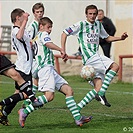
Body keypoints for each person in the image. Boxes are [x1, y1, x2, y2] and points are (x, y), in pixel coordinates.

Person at [18, 17, 92, 128]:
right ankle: (25, 111)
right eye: (48, 27)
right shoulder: (43, 34)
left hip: (48, 69)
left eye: (51, 27)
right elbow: (48, 44)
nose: (50, 30)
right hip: (45, 69)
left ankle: (78, 118)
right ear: (41, 26)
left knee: (68, 91)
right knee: (49, 96)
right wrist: (60, 49)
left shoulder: (36, 38)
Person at [61, 5, 128, 109]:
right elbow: (65, 33)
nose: (92, 16)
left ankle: (77, 110)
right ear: (86, 15)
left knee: (98, 87)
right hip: (91, 57)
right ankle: (101, 94)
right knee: (115, 66)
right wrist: (63, 50)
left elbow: (107, 38)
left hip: (91, 60)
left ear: (97, 15)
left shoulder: (98, 25)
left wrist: (121, 38)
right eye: (90, 14)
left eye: (94, 14)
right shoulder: (81, 25)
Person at [0, 8, 43, 125]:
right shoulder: (15, 30)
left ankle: (3, 115)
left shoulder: (21, 30)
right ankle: (2, 103)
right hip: (23, 67)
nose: (25, 18)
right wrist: (25, 21)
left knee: (18, 93)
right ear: (18, 18)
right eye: (22, 16)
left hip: (25, 66)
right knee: (24, 94)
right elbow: (19, 36)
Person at [22, 2, 45, 107]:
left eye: (41, 11)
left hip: (36, 56)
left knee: (36, 80)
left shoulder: (40, 24)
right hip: (34, 57)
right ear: (34, 13)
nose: (40, 14)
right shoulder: (33, 25)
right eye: (37, 12)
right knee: (33, 80)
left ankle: (28, 102)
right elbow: (28, 40)